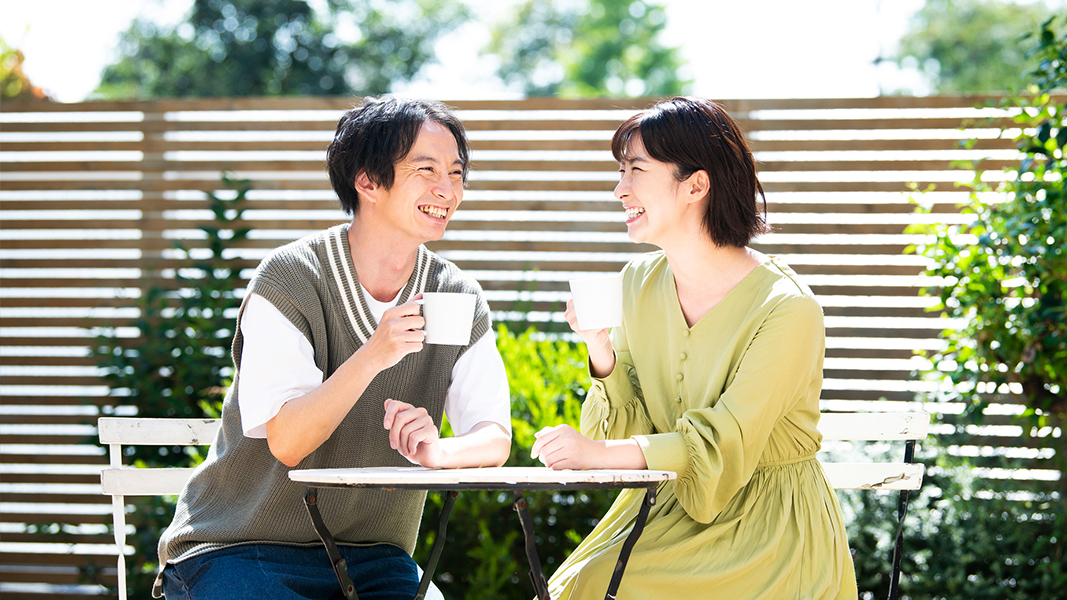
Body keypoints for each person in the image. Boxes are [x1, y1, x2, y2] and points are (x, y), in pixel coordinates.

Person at [153, 97, 512, 600]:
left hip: (374, 557)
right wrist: (373, 354)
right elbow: (288, 442)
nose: (446, 190)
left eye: (455, 173)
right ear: (367, 180)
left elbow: (494, 437)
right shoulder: (292, 279)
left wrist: (438, 450)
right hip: (240, 549)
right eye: (425, 169)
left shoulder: (456, 297)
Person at [530, 97, 857, 599]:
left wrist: (595, 451)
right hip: (668, 508)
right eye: (621, 172)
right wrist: (602, 352)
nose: (620, 189)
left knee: (596, 587)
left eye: (635, 170)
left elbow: (722, 440)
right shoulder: (638, 282)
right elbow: (637, 430)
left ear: (696, 185)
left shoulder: (787, 308)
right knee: (571, 588)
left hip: (767, 530)